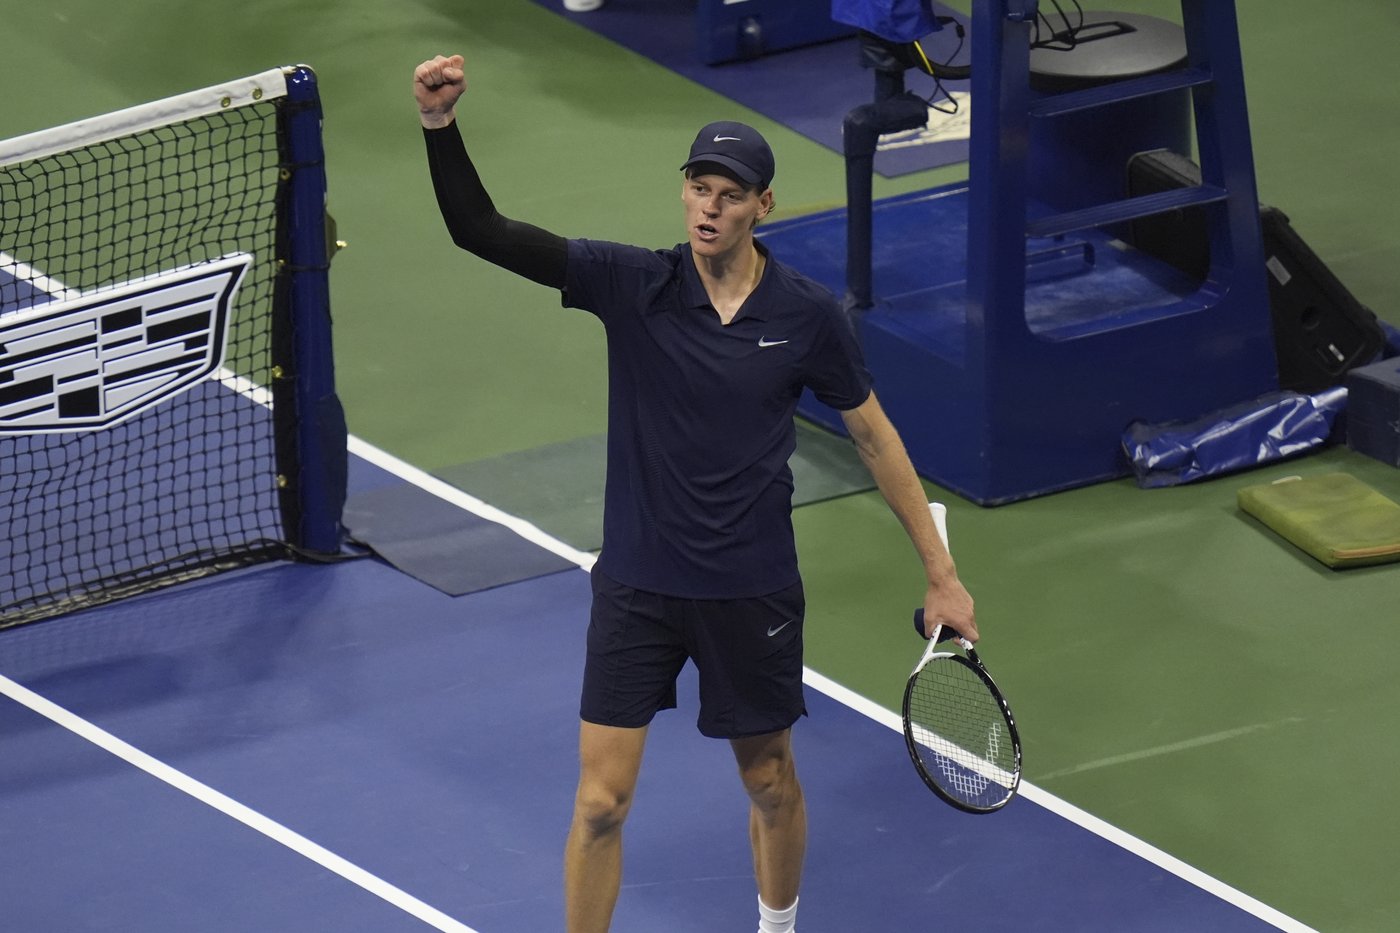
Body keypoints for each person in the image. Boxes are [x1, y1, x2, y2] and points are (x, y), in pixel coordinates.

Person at [413, 53, 977, 933]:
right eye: (698, 187)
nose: (709, 206)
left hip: (748, 588)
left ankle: (778, 926)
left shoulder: (806, 315)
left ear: (763, 206)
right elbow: (480, 228)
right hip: (638, 585)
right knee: (601, 800)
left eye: (729, 193)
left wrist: (941, 573)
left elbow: (874, 435)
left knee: (769, 780)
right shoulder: (633, 285)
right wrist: (439, 126)